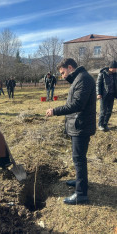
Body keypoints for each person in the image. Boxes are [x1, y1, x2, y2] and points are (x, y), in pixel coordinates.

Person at [46, 58, 96, 205]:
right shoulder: (79, 78)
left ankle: (81, 194)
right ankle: (79, 181)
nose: (62, 76)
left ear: (69, 67)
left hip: (81, 126)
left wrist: (55, 111)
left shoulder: (84, 79)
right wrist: (69, 77)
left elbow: (77, 104)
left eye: (63, 73)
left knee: (79, 159)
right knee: (78, 158)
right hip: (78, 125)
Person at [96, 60, 117, 131]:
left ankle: (105, 124)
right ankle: (100, 125)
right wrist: (99, 93)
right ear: (111, 68)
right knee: (103, 111)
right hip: (104, 95)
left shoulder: (115, 74)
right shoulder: (102, 73)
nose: (116, 70)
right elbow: (98, 84)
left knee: (109, 111)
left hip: (112, 95)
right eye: (116, 68)